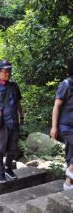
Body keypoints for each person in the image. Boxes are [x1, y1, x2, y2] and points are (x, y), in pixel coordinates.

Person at [0, 60, 23, 183]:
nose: (8, 73)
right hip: (1, 122)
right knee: (0, 148)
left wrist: (21, 116)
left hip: (13, 120)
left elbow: (18, 102)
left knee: (12, 148)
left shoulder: (14, 85)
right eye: (5, 71)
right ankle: (1, 171)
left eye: (9, 71)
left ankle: (8, 167)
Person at [50, 57, 73, 190]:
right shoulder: (65, 84)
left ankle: (68, 184)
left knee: (70, 154)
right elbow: (56, 106)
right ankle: (70, 170)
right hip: (66, 126)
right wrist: (54, 127)